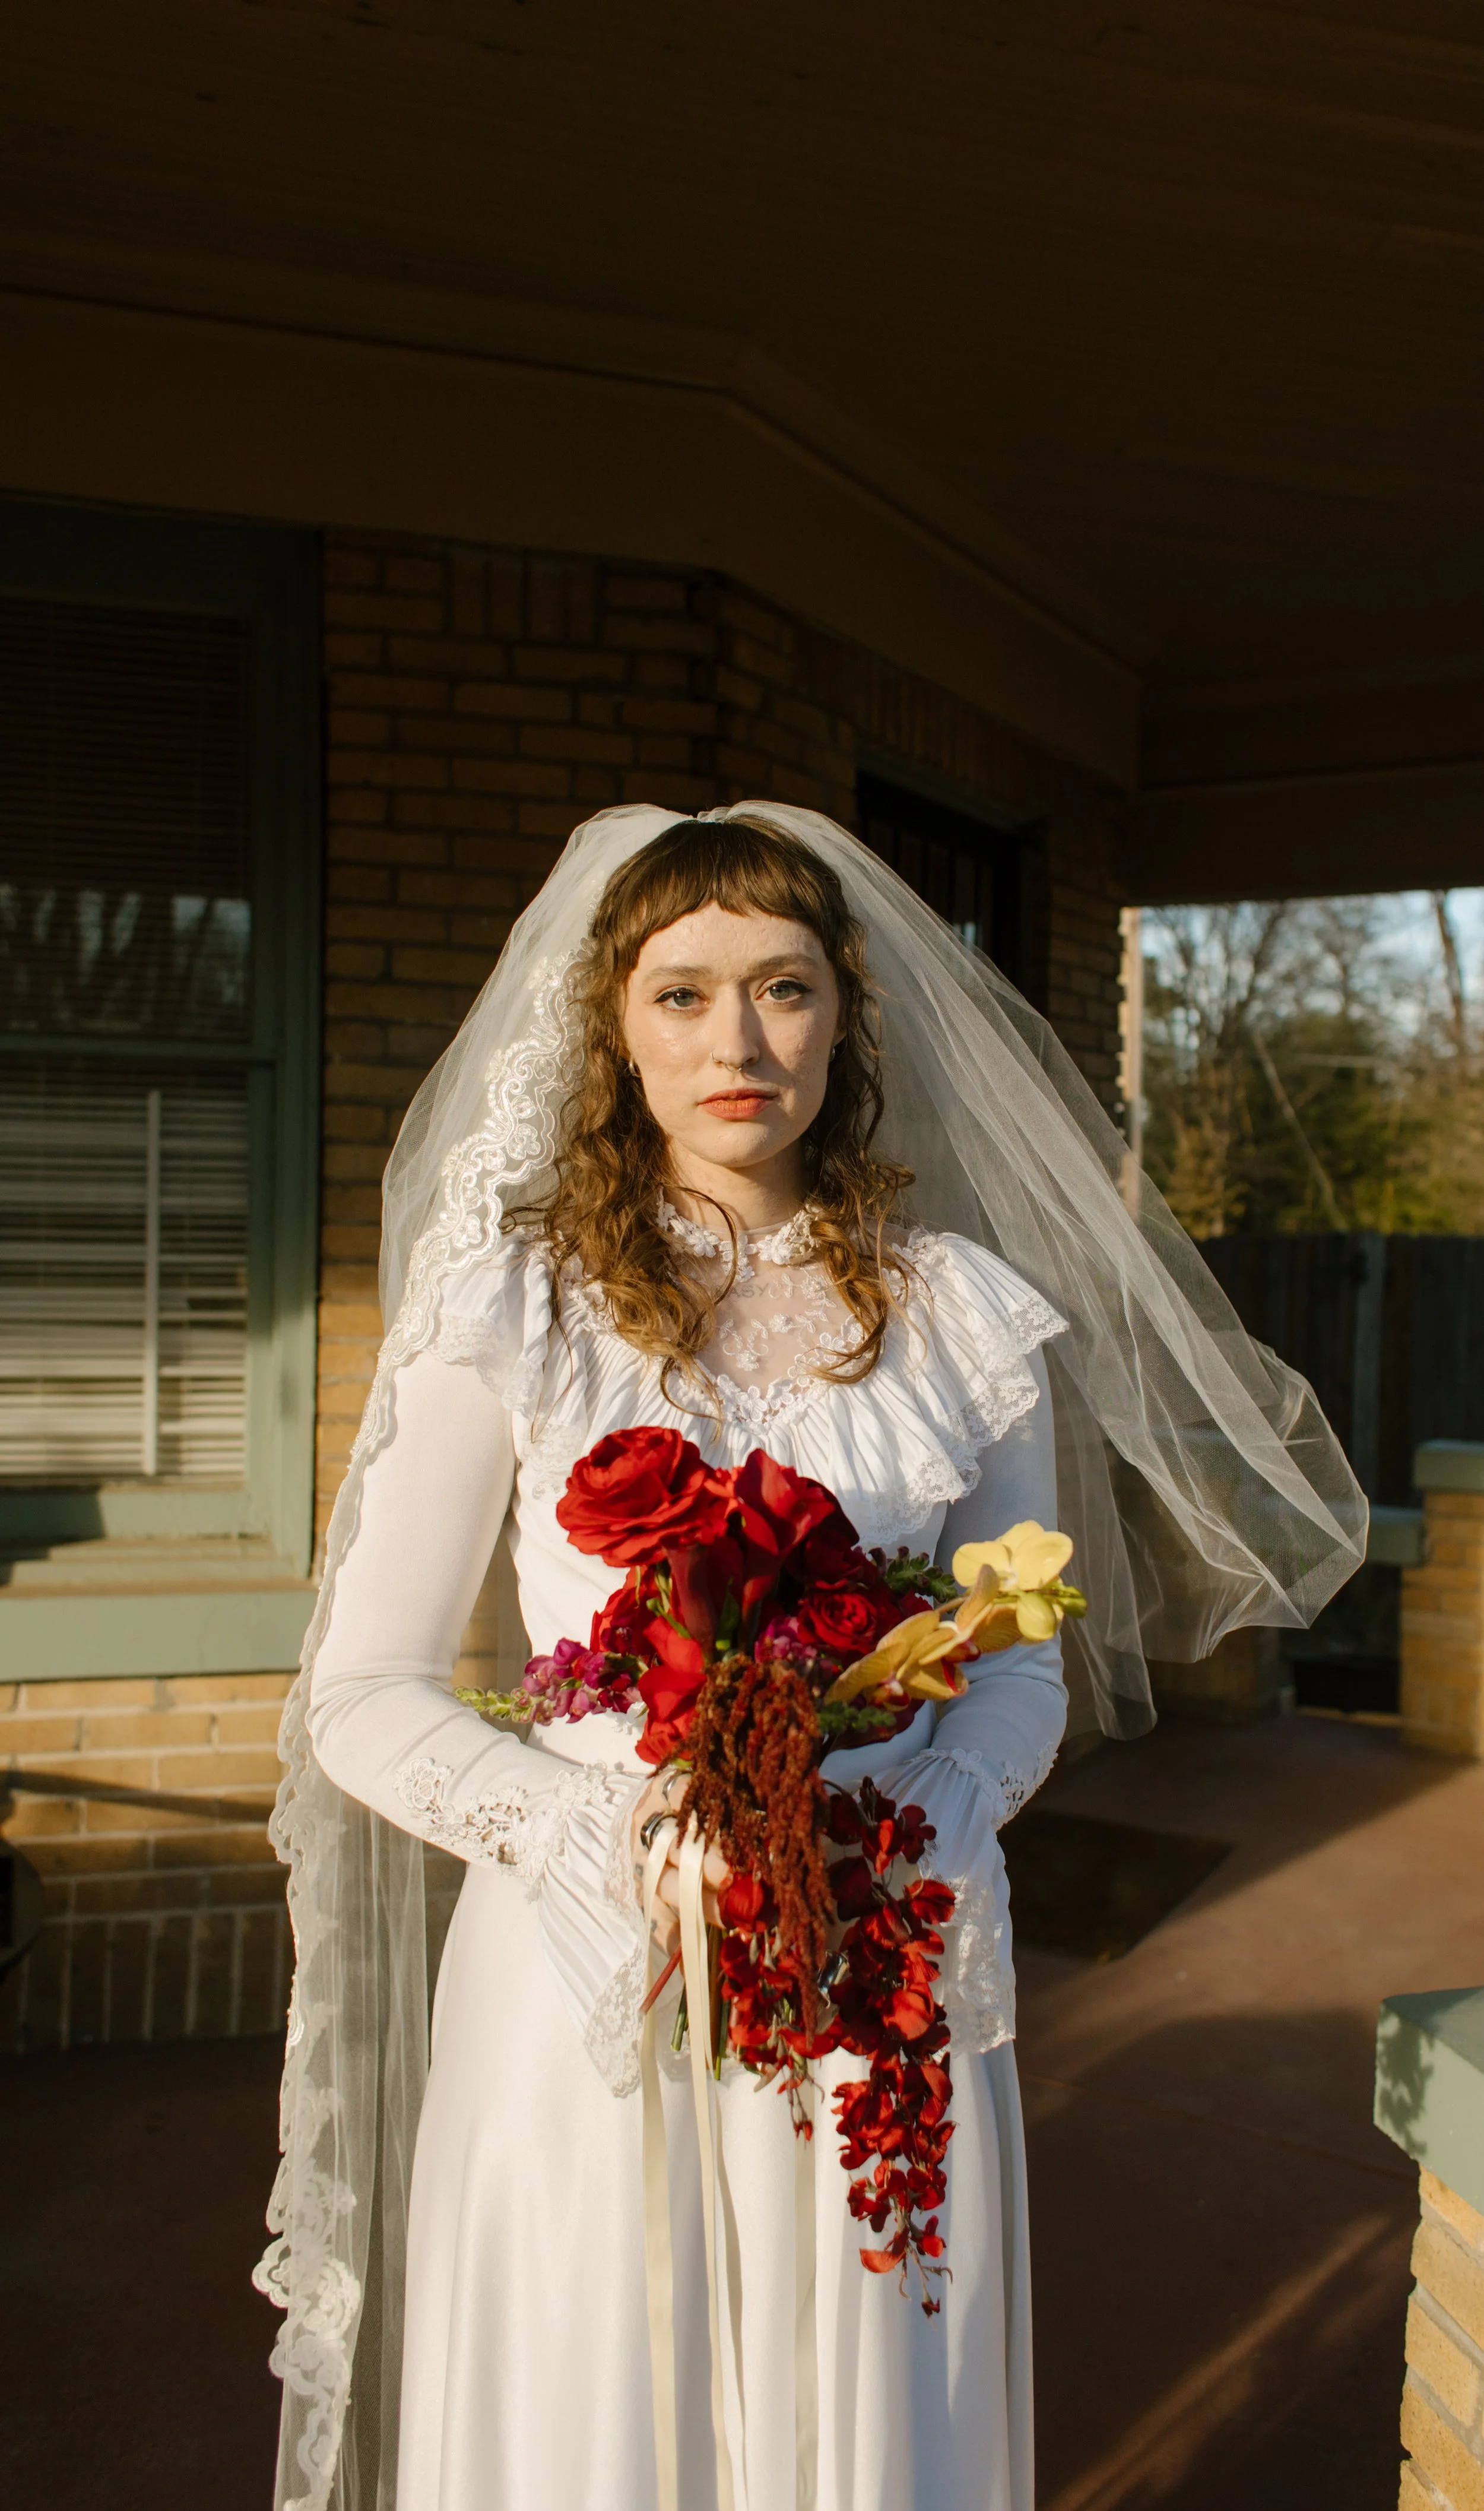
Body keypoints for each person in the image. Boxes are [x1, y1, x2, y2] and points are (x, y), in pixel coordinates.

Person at [256, 805, 1365, 2511]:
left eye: (780, 988)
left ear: (842, 1016)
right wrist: (602, 1839)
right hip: (593, 1967)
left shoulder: (957, 1312)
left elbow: (1012, 1656)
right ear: (609, 1026)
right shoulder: (515, 1306)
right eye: (682, 992)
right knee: (596, 2405)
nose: (736, 1039)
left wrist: (914, 1814)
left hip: (878, 1962)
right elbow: (362, 1687)